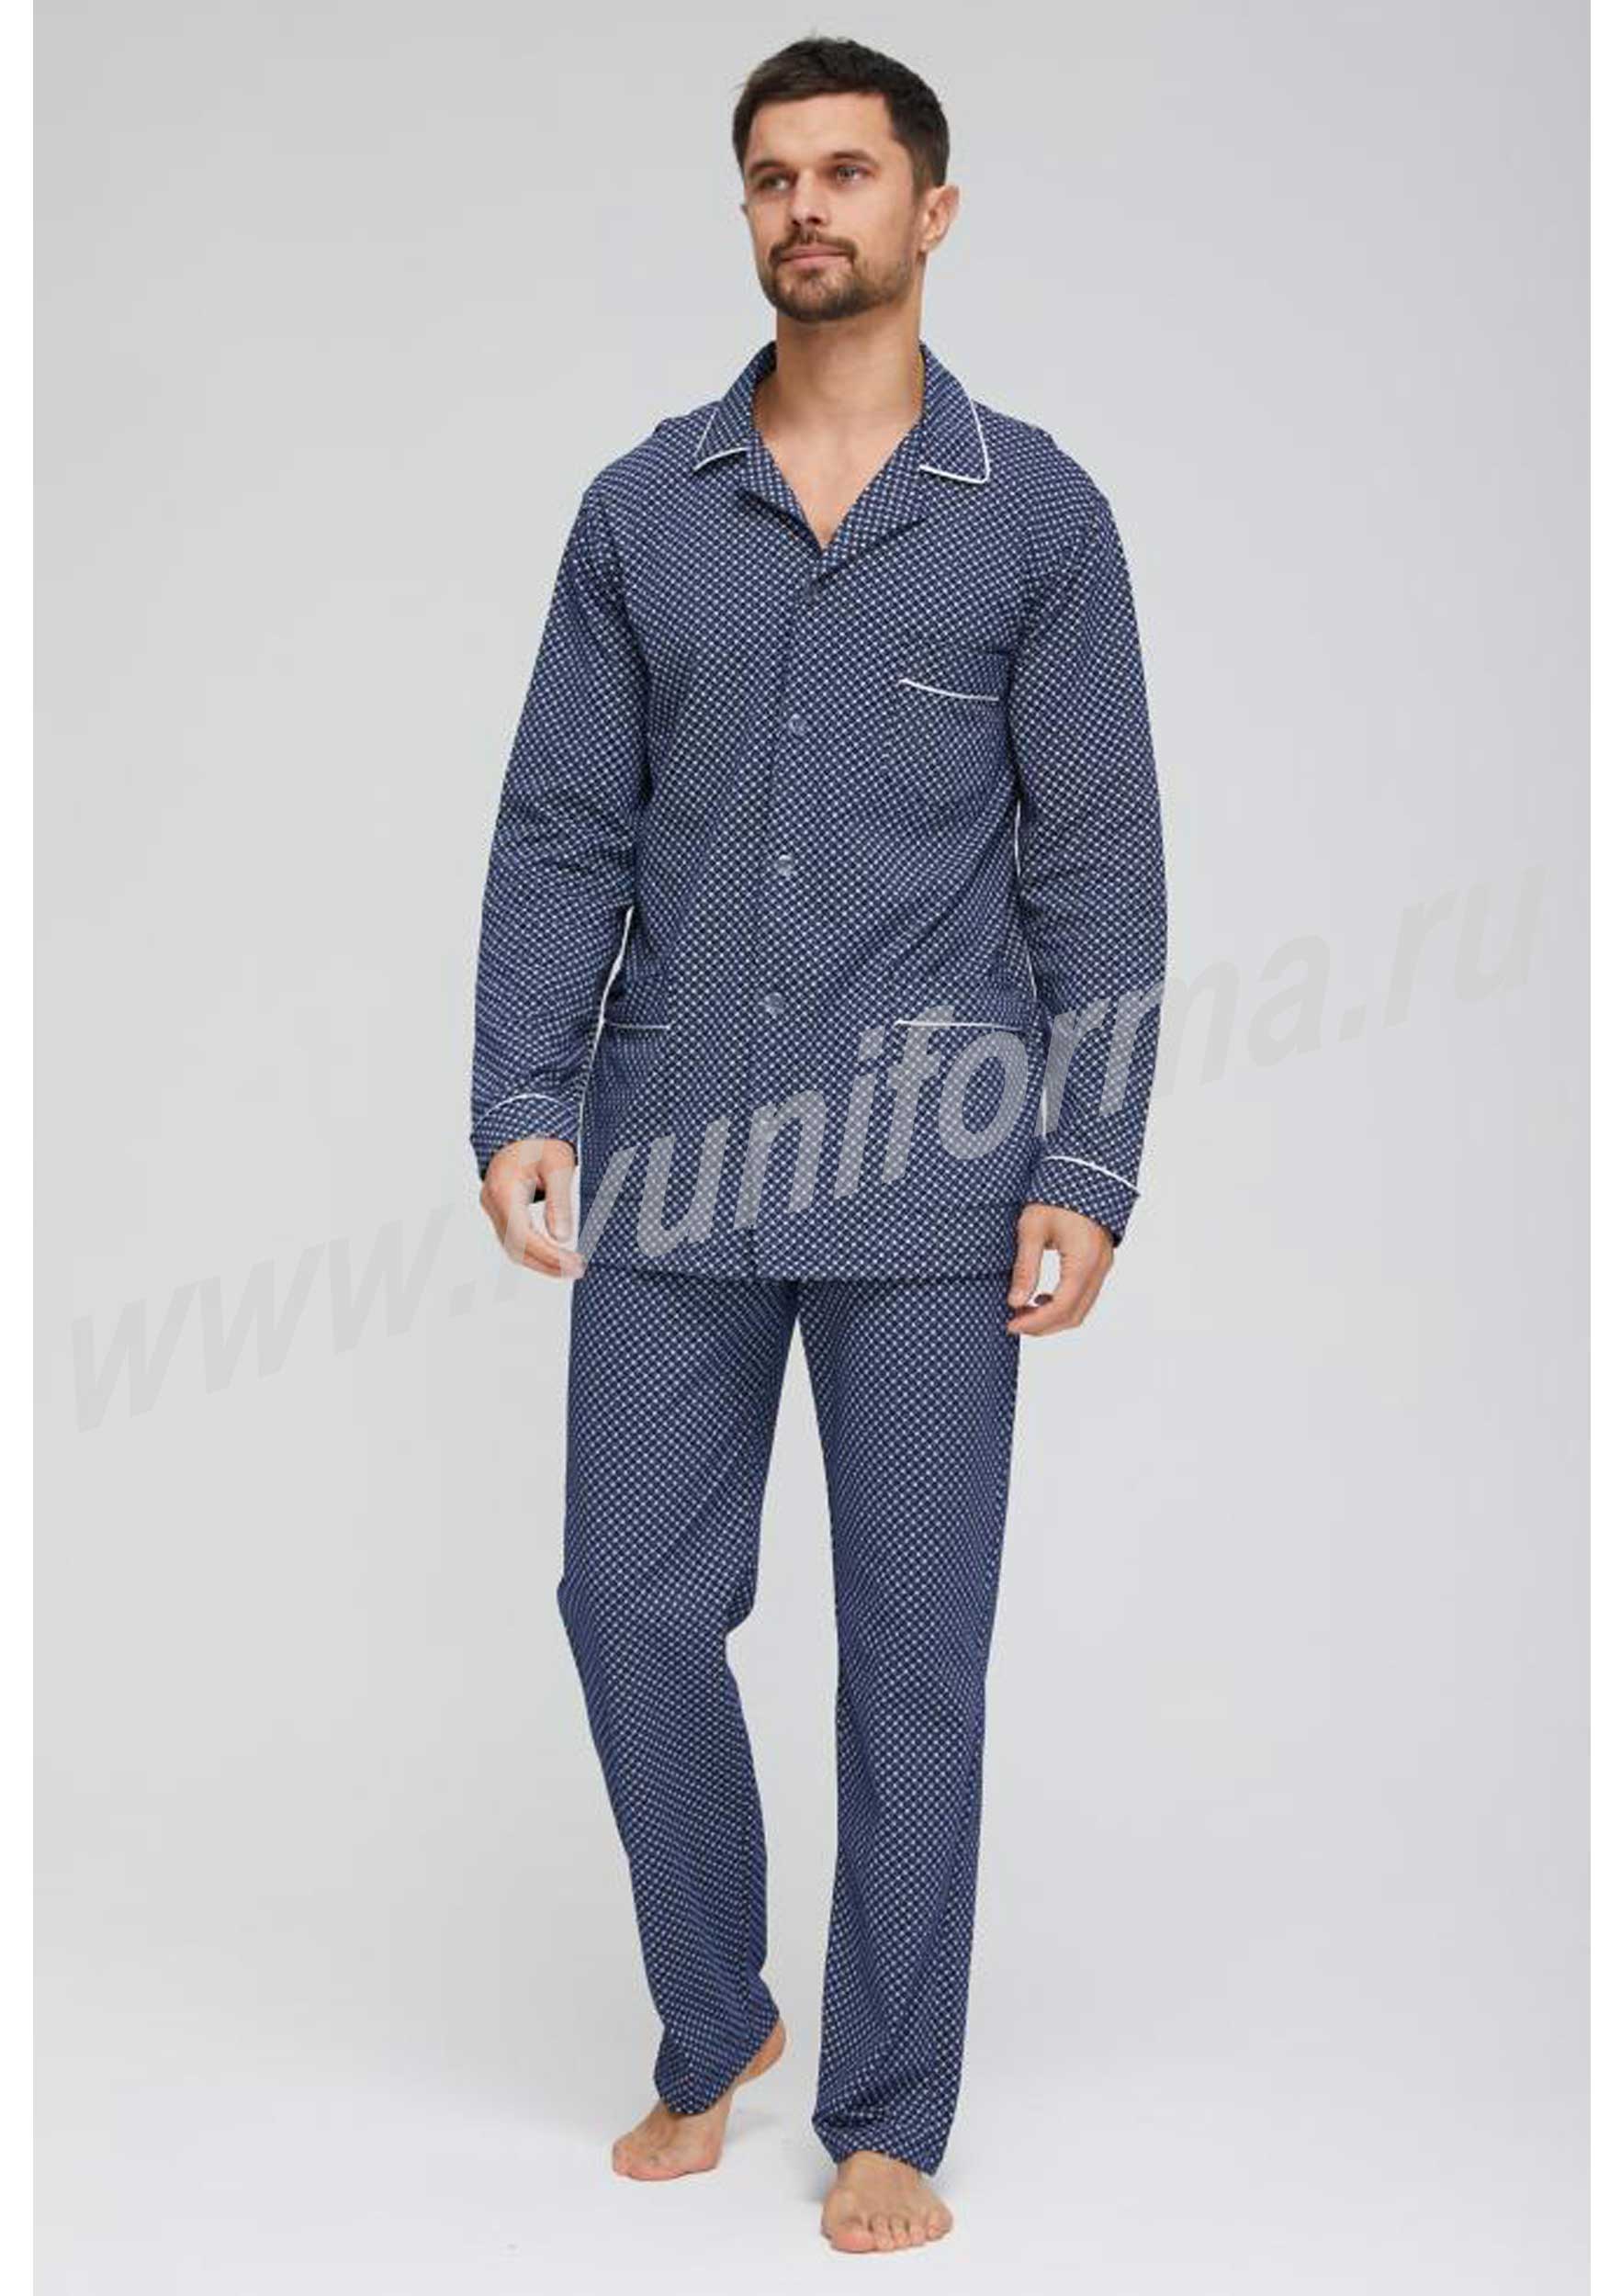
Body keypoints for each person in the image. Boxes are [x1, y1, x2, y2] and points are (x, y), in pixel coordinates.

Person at [471, 35, 1166, 2256]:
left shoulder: (1036, 518)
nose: (806, 208)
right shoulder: (641, 511)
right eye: (773, 175)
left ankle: (886, 2104)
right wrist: (522, 1094)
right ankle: (717, 2015)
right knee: (628, 1594)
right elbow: (561, 826)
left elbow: (1099, 870)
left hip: (938, 1165)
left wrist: (1089, 1158)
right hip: (673, 1146)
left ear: (929, 211)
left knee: (912, 1648)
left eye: (848, 172)